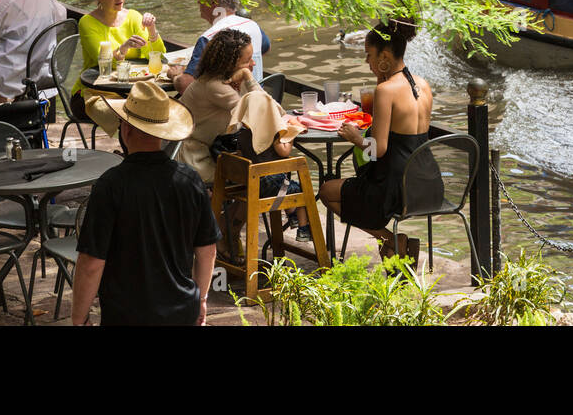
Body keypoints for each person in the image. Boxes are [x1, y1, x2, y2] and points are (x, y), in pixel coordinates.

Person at [71, 80, 218, 326]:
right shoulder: (190, 180)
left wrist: (78, 319)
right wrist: (201, 299)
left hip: (126, 315)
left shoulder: (111, 184)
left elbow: (91, 264)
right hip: (181, 311)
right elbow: (207, 250)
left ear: (125, 129)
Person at [318, 18, 441, 264]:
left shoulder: (386, 92)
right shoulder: (423, 84)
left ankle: (390, 241)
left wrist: (355, 138)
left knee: (326, 191)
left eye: (369, 55)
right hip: (427, 182)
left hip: (395, 187)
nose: (367, 62)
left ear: (384, 54)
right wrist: (380, 77)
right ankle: (395, 251)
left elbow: (378, 150)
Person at [224, 85, 311, 245]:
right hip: (271, 188)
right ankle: (303, 229)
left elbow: (242, 156)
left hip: (251, 185)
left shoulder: (243, 135)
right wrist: (289, 135)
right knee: (299, 189)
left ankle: (293, 218)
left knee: (286, 184)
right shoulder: (273, 132)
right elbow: (284, 151)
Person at [76, 0, 165, 117]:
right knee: (134, 115)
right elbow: (104, 62)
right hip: (94, 92)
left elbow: (157, 56)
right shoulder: (87, 22)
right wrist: (123, 49)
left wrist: (152, 30)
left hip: (133, 91)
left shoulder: (134, 17)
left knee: (158, 108)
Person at [179, 29, 261, 187]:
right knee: (258, 180)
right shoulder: (214, 86)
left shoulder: (226, 80)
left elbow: (267, 107)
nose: (253, 63)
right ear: (230, 64)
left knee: (257, 178)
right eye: (248, 60)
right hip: (197, 160)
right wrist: (248, 76)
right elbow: (261, 112)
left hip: (216, 152)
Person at [175, 0, 269, 94]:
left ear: (214, 1)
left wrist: (175, 75)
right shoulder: (252, 25)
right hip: (257, 98)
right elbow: (265, 48)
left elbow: (185, 86)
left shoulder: (209, 37)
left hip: (229, 106)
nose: (198, 2)